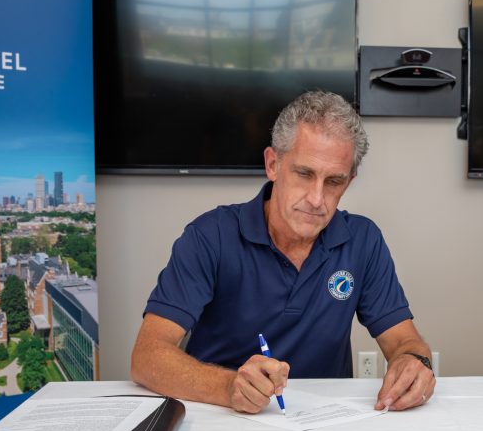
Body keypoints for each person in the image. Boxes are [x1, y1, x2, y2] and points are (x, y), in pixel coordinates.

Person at [130, 91, 435, 413]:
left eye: (333, 182)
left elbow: (404, 340)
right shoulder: (210, 236)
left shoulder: (363, 239)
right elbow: (147, 355)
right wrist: (229, 386)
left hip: (325, 423)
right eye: (304, 174)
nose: (317, 199)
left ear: (349, 182)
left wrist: (414, 362)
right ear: (273, 164)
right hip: (219, 416)